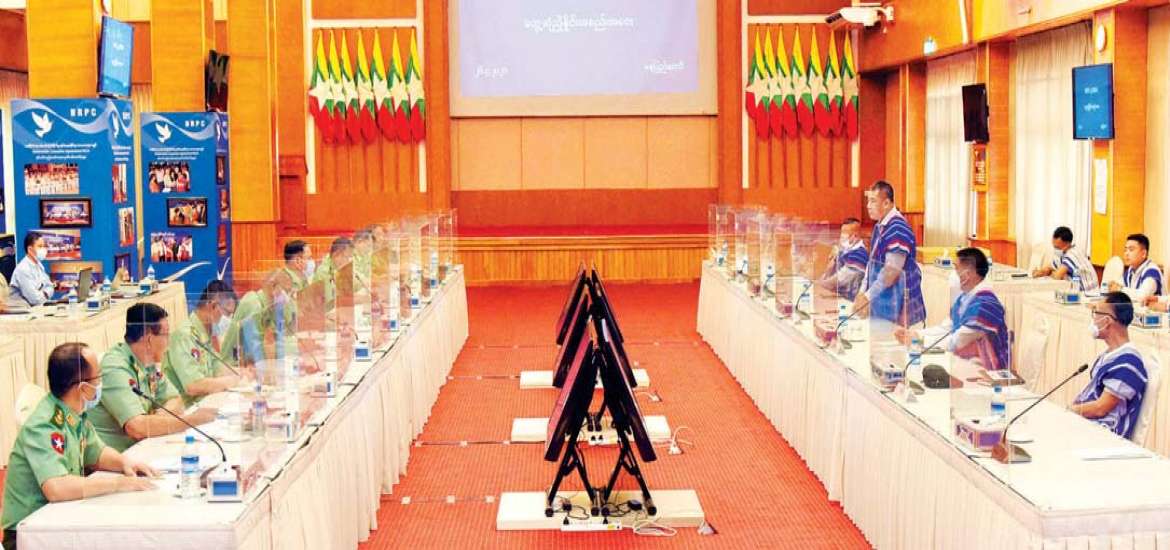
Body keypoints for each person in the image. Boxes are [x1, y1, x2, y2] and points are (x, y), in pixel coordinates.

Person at [1, 343, 156, 548]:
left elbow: (97, 452)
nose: (101, 383)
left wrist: (125, 463)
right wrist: (118, 483)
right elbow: (57, 487)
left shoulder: (74, 413)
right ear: (83, 388)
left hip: (59, 519)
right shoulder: (44, 425)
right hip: (28, 534)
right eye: (98, 377)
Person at [89, 303, 217, 452]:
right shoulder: (114, 368)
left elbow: (176, 400)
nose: (169, 342)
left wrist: (158, 419)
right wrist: (192, 420)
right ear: (149, 339)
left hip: (142, 448)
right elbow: (136, 428)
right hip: (118, 457)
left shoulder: (147, 363)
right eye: (166, 335)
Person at [895, 248, 1010, 371]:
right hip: (965, 363)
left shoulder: (985, 306)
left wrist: (918, 341)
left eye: (956, 268)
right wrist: (916, 334)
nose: (952, 273)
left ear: (967, 274)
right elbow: (947, 328)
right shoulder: (965, 298)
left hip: (987, 370)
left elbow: (956, 342)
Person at [1072, 292, 1149, 440]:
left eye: (1095, 313)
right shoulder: (1110, 354)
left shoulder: (1128, 363)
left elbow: (1101, 408)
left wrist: (1072, 411)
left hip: (1104, 436)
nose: (1093, 319)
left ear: (1107, 321)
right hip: (1087, 427)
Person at [853, 180, 926, 326]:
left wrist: (867, 297)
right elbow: (871, 265)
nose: (868, 206)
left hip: (903, 311)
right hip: (885, 307)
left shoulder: (898, 229)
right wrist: (862, 292)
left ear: (886, 203)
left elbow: (890, 273)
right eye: (868, 201)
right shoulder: (880, 226)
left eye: (873, 201)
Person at [163, 281, 241, 406]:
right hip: (185, 410)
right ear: (213, 306)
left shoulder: (205, 333)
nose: (228, 320)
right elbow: (193, 386)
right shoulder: (184, 336)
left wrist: (242, 373)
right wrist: (230, 381)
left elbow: (217, 368)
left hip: (204, 403)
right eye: (227, 313)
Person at [220, 269, 297, 366]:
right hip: (233, 366)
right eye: (286, 291)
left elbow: (282, 332)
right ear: (273, 286)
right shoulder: (254, 305)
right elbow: (256, 352)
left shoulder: (269, 306)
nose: (287, 297)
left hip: (250, 364)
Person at [1032, 226, 1099, 291]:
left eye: (1057, 247)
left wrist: (1050, 273)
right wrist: (1039, 272)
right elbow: (1049, 267)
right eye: (1054, 246)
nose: (1055, 249)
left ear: (1067, 244)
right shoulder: (1061, 253)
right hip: (1076, 290)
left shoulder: (1073, 254)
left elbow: (1057, 276)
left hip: (1088, 293)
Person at [818, 218, 868, 300]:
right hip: (839, 298)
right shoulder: (844, 251)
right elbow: (827, 275)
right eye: (841, 232)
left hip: (852, 302)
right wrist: (833, 260)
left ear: (855, 236)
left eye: (845, 233)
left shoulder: (859, 256)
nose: (841, 236)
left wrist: (819, 284)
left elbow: (835, 282)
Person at [1108, 233, 1162, 304]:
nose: (1126, 253)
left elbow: (1142, 296)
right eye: (1125, 250)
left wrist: (1119, 289)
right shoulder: (1130, 270)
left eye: (1131, 250)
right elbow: (1119, 287)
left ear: (1144, 254)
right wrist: (1113, 287)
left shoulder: (1152, 271)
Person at [9, 233, 53, 307]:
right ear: (30, 249)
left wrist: (44, 293)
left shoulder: (39, 265)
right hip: (20, 310)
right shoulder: (23, 269)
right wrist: (45, 294)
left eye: (44, 246)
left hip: (35, 308)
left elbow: (50, 287)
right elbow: (34, 300)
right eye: (40, 246)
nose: (43, 249)